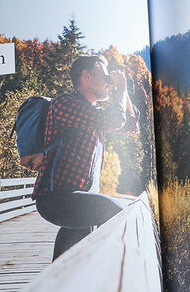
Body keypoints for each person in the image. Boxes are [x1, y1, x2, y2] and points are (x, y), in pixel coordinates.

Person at [34, 54, 135, 260]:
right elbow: (115, 119)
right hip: (57, 198)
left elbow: (131, 126)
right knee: (117, 212)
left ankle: (55, 287)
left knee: (67, 263)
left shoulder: (93, 112)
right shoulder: (65, 103)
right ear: (87, 77)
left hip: (80, 198)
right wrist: (120, 89)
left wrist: (123, 90)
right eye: (104, 77)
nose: (108, 83)